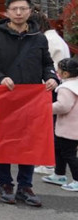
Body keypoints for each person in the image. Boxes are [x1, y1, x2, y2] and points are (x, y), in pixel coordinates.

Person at [0, 0, 59, 206]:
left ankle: (26, 185)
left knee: (28, 142)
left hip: (31, 100)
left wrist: (51, 77)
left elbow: (47, 63)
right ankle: (5, 183)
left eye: (23, 8)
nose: (19, 12)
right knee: (4, 142)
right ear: (6, 12)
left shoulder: (39, 38)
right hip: (4, 98)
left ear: (30, 11)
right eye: (14, 9)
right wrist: (0, 78)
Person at [30, 10, 69, 175]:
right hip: (59, 85)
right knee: (52, 126)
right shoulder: (55, 38)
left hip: (51, 87)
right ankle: (50, 163)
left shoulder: (47, 40)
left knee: (48, 126)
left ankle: (47, 163)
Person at [43, 58, 78, 191]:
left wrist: (47, 108)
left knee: (69, 154)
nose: (57, 72)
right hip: (71, 127)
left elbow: (63, 106)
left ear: (65, 74)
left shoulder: (66, 88)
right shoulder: (75, 85)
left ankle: (76, 179)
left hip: (68, 128)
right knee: (58, 149)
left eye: (58, 70)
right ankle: (59, 173)